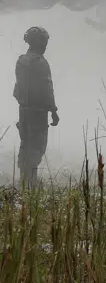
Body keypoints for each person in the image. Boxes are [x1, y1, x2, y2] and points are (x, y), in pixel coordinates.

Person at [13, 26, 58, 188]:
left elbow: (17, 90)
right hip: (38, 112)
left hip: (24, 111)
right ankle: (30, 183)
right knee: (37, 146)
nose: (45, 45)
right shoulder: (41, 63)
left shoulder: (21, 61)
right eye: (44, 41)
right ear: (38, 42)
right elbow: (47, 89)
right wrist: (53, 111)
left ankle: (24, 181)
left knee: (25, 144)